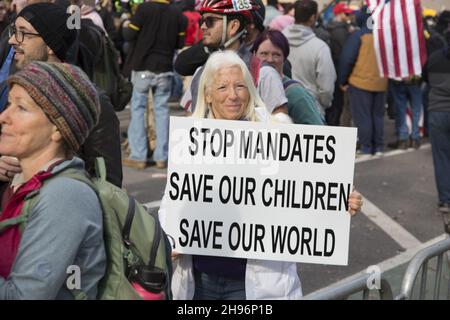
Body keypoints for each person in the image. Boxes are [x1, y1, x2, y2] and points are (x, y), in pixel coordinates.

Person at [159, 50, 363, 300]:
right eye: (222, 87)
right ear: (208, 95)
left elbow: (306, 192)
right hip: (200, 282)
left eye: (240, 86)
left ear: (250, 91)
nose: (232, 95)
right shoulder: (191, 142)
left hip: (256, 283)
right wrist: (170, 239)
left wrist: (339, 202)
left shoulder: (278, 136)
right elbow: (174, 199)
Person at [0, 61, 106, 299]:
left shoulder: (65, 196)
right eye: (8, 105)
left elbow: (23, 296)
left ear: (57, 129)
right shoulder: (24, 184)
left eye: (21, 108)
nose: (4, 117)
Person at [0, 2, 123, 187]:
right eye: (14, 31)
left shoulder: (89, 101)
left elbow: (108, 184)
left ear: (51, 45)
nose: (12, 40)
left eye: (23, 33)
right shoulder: (9, 90)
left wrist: (50, 174)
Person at [180, 0, 291, 123]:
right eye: (202, 21)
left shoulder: (264, 74)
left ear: (233, 26)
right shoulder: (200, 73)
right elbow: (189, 121)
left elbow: (281, 126)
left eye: (210, 21)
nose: (203, 27)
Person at [121, 0, 187, 170]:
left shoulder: (144, 9)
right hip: (165, 68)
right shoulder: (178, 15)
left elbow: (129, 35)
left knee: (138, 109)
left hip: (143, 66)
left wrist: (126, 23)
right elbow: (180, 43)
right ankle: (162, 156)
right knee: (162, 111)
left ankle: (139, 155)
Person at [338, 7, 387, 158]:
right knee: (378, 116)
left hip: (360, 83)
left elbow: (347, 59)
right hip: (381, 82)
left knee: (363, 116)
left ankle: (366, 147)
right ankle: (378, 147)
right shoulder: (384, 36)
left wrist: (342, 80)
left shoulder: (358, 35)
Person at [252, 29, 323, 125]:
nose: (270, 59)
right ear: (254, 55)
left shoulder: (297, 94)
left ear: (284, 59)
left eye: (276, 55)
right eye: (264, 54)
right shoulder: (249, 86)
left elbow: (318, 130)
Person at [283, 0, 336, 117]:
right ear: (313, 18)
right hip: (311, 110)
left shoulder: (279, 40)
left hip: (282, 107)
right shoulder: (320, 47)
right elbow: (326, 88)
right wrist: (322, 104)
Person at [423, 31, 450, 220]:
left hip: (437, 110)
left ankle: (445, 199)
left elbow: (426, 79)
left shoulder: (434, 58)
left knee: (441, 157)